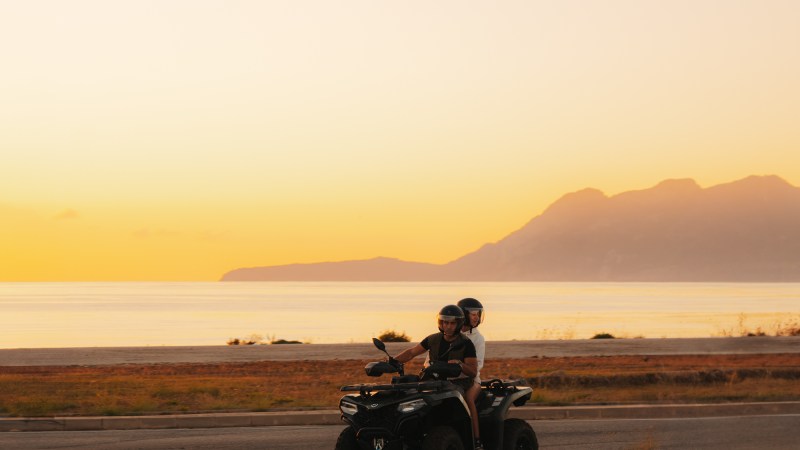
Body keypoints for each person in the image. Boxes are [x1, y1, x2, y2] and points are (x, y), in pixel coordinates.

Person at [394, 305, 484, 450]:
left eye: (452, 323)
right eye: (445, 322)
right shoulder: (433, 339)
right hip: (433, 382)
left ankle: (476, 441)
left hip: (458, 382)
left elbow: (473, 371)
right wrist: (392, 362)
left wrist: (460, 365)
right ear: (440, 323)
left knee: (457, 402)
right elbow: (411, 352)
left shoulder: (466, 343)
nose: (448, 326)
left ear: (459, 323)